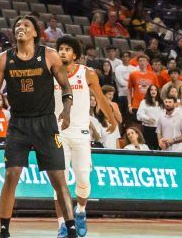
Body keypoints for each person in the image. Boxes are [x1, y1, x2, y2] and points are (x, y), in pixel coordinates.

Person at [0, 16, 77, 238]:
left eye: (26, 26)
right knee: (11, 175)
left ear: (35, 33)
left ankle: (71, 228)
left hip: (46, 123)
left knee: (58, 179)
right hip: (18, 124)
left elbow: (66, 87)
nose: (20, 28)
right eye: (17, 26)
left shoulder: (49, 55)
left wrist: (67, 109)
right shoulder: (3, 59)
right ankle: (4, 229)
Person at [54, 36, 120, 238]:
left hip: (81, 133)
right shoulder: (51, 73)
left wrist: (112, 119)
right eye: (60, 49)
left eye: (67, 49)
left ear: (75, 54)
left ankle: (81, 211)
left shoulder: (87, 73)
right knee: (59, 182)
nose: (63, 52)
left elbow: (100, 98)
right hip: (58, 133)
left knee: (83, 178)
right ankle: (62, 225)